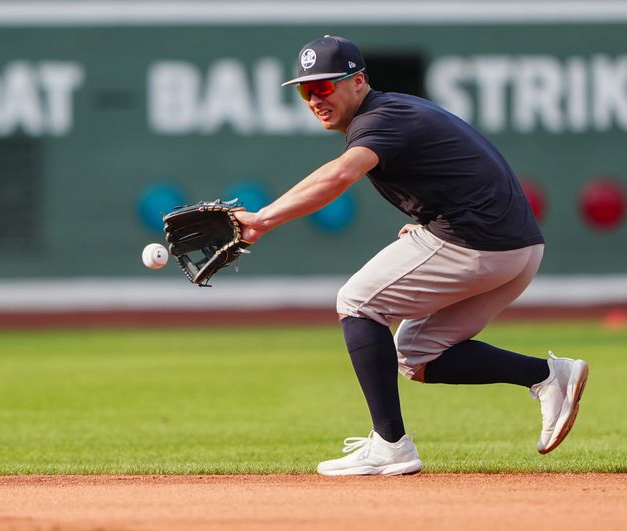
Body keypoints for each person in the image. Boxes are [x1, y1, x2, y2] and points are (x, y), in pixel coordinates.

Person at [235, 35, 589, 476]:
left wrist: (264, 219)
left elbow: (340, 174)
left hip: (477, 242)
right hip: (518, 248)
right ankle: (548, 376)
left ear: (358, 81)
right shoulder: (397, 111)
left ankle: (390, 445)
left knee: (357, 301)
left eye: (324, 87)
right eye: (306, 90)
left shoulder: (379, 119)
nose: (314, 98)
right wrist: (429, 220)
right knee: (418, 355)